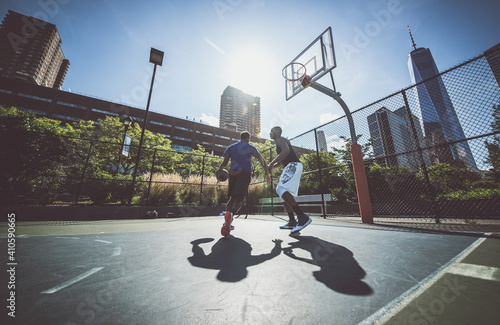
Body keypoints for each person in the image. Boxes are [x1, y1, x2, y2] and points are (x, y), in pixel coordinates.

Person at [218, 131, 269, 237]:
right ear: (248, 138)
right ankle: (231, 214)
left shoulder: (231, 147)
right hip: (245, 174)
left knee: (232, 198)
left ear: (240, 137)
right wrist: (266, 173)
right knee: (239, 199)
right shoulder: (251, 148)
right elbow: (262, 160)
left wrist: (219, 171)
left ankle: (227, 221)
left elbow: (224, 163)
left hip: (233, 173)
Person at [267, 126, 311, 234]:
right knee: (282, 193)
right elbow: (282, 162)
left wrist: (271, 163)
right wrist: (273, 166)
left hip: (293, 165)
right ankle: (292, 221)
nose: (270, 133)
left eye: (272, 131)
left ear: (277, 132)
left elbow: (286, 152)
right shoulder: (279, 143)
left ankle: (302, 216)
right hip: (290, 166)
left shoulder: (281, 140)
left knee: (280, 188)